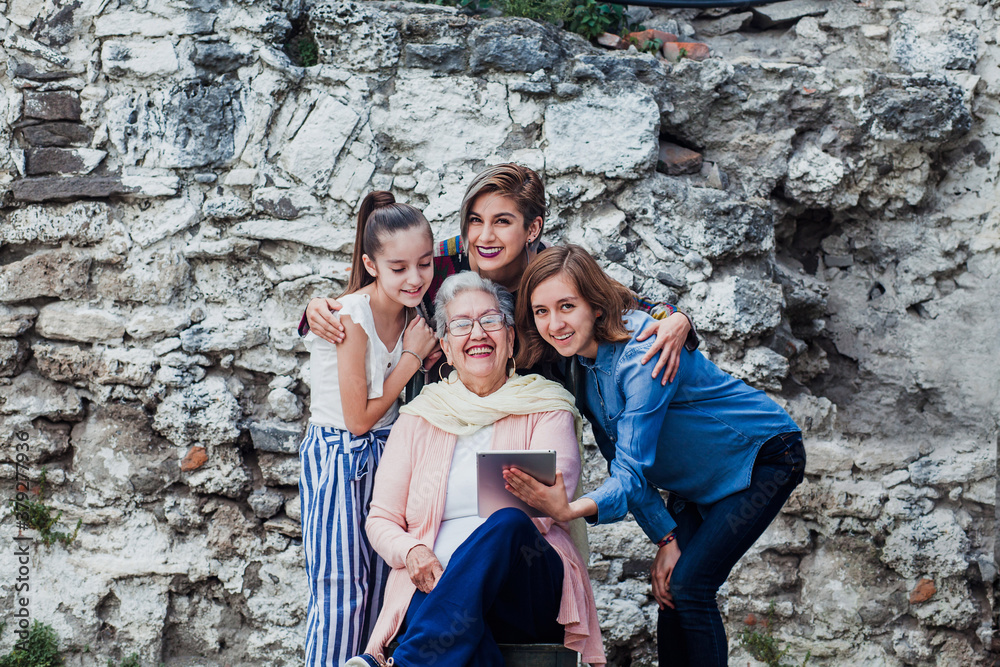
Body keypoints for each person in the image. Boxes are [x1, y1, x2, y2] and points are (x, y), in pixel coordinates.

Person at [506, 245, 805, 667]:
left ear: (594, 304)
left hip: (763, 455)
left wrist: (570, 509)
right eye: (541, 312)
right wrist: (666, 538)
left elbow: (632, 469)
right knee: (669, 591)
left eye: (566, 306)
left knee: (690, 587)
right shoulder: (580, 368)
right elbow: (622, 463)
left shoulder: (642, 350)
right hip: (694, 481)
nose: (554, 324)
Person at [346, 272, 605, 667]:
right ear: (447, 348)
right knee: (459, 621)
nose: (478, 333)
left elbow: (543, 506)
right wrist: (412, 549)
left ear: (510, 338)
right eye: (461, 325)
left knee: (509, 521)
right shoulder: (419, 418)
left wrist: (458, 569)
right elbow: (381, 518)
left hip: (526, 585)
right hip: (435, 585)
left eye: (490, 320)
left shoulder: (546, 407)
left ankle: (409, 661)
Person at [300, 163, 697, 387]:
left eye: (502, 222)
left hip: (531, 421)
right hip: (442, 416)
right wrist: (317, 310)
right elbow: (372, 292)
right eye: (475, 221)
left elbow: (633, 304)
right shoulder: (436, 262)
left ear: (533, 229)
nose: (484, 237)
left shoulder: (553, 273)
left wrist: (677, 319)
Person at [298, 192, 439, 666]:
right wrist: (413, 359)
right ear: (371, 264)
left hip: (390, 454)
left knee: (385, 590)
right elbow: (358, 419)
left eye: (425, 263)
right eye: (399, 267)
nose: (415, 278)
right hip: (341, 454)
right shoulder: (350, 316)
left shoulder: (414, 314)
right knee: (342, 594)